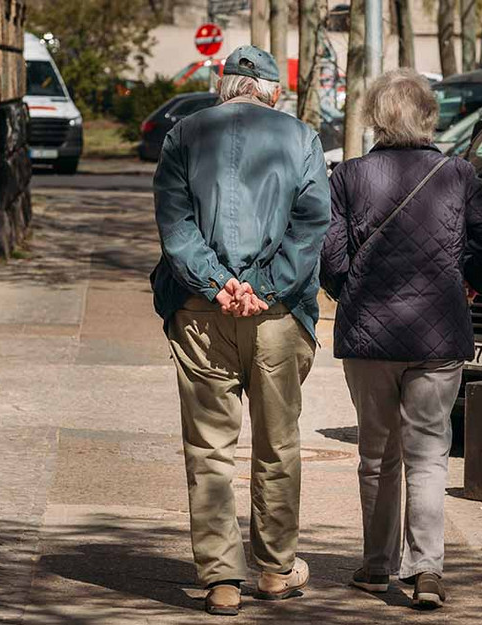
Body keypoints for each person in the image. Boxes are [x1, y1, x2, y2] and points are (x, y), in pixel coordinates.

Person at [320, 69, 482, 609]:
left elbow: (329, 257)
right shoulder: (458, 175)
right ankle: (426, 570)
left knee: (376, 454)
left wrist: (352, 292)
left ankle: (376, 567)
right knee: (428, 455)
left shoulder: (348, 176)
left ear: (377, 118)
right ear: (430, 118)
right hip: (438, 334)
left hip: (369, 339)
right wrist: (469, 282)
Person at [151, 45, 330, 616]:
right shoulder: (301, 139)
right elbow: (310, 227)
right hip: (275, 316)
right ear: (273, 91)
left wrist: (217, 283)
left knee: (209, 449)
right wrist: (264, 286)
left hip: (202, 313)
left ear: (221, 84)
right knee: (277, 445)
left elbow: (174, 223)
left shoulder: (183, 134)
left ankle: (221, 579)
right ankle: (275, 570)